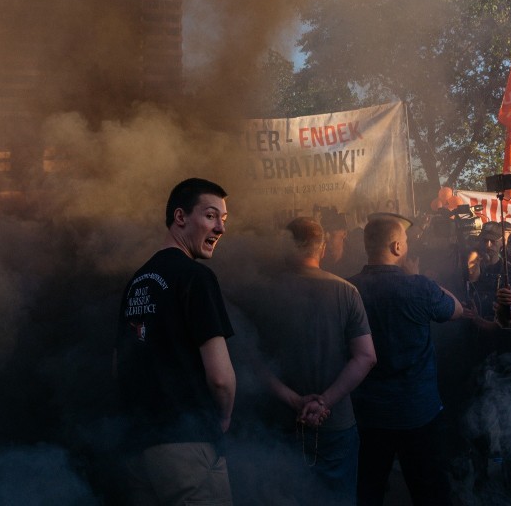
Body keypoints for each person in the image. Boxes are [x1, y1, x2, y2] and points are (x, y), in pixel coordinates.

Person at [115, 178, 236, 505]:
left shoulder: (136, 282)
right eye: (211, 216)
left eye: (224, 219)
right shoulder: (196, 278)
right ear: (180, 217)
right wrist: (222, 418)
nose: (221, 228)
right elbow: (221, 378)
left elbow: (122, 364)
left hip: (138, 450)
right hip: (187, 447)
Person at [255, 217, 376, 505]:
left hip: (281, 424)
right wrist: (324, 402)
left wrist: (295, 401)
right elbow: (366, 356)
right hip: (335, 425)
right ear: (322, 249)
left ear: (284, 247)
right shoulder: (346, 291)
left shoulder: (263, 293)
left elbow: (251, 360)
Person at [348, 214, 464, 506]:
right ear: (397, 247)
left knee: (368, 489)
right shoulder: (419, 286)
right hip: (418, 411)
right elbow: (456, 310)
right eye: (407, 242)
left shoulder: (347, 288)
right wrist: (425, 280)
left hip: (368, 411)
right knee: (430, 493)